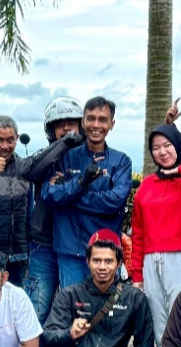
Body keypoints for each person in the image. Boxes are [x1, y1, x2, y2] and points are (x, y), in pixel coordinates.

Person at [0, 114, 83, 287]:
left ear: (17, 139)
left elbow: (28, 210)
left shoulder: (23, 168)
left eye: (10, 140)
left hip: (15, 256)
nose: (5, 146)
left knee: (14, 303)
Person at [131, 124, 181, 346]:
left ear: (178, 146)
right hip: (150, 262)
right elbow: (137, 232)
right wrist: (137, 275)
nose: (162, 152)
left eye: (167, 145)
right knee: (159, 324)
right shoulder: (146, 185)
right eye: (156, 148)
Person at [42, 96, 133, 288]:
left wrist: (72, 192)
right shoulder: (64, 157)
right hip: (70, 252)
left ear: (112, 124)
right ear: (83, 122)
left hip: (107, 252)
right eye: (91, 118)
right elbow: (49, 195)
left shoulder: (121, 161)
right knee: (74, 306)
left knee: (109, 307)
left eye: (103, 119)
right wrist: (81, 182)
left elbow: (115, 201)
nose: (96, 125)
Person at [25, 97, 84, 322]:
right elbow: (31, 171)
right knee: (37, 310)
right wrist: (64, 145)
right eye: (60, 125)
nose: (67, 128)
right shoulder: (45, 156)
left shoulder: (88, 157)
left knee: (75, 311)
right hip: (44, 243)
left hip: (75, 244)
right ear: (51, 130)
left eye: (72, 123)